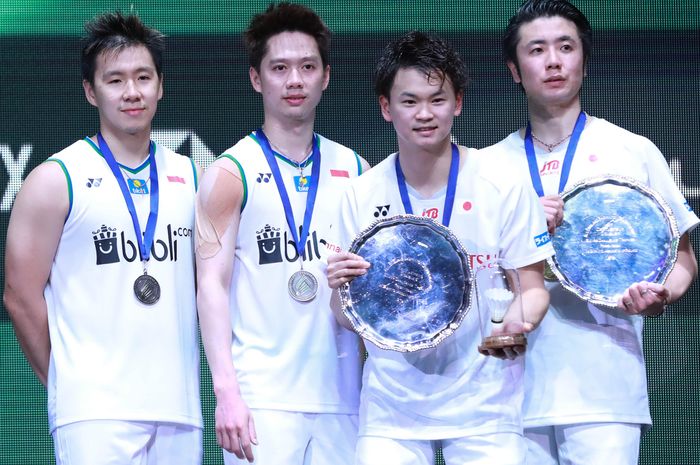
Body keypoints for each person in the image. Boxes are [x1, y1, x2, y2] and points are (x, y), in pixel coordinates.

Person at [485, 1, 700, 464]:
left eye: (566, 47)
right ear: (514, 69)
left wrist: (661, 293)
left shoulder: (632, 150)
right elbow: (474, 274)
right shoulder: (486, 168)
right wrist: (521, 232)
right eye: (537, 49)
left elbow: (683, 261)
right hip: (507, 393)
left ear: (584, 58)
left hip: (606, 389)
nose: (554, 60)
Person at [325, 31, 553, 465]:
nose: (425, 114)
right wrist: (338, 289)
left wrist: (515, 325)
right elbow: (346, 314)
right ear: (386, 108)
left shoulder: (502, 184)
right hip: (392, 410)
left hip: (486, 408)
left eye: (437, 99)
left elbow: (533, 288)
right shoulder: (360, 194)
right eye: (409, 101)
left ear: (458, 102)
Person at [3, 11, 202, 465]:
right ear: (91, 91)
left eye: (143, 77)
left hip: (178, 407)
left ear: (160, 85)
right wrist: (67, 382)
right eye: (115, 80)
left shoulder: (192, 177)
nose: (132, 92)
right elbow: (19, 295)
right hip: (94, 412)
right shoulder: (56, 179)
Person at [195, 3, 369, 464]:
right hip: (261, 401)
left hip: (344, 399)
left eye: (307, 67)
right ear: (257, 78)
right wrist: (227, 393)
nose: (295, 80)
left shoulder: (356, 170)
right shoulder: (229, 173)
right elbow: (211, 285)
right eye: (280, 68)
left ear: (326, 76)